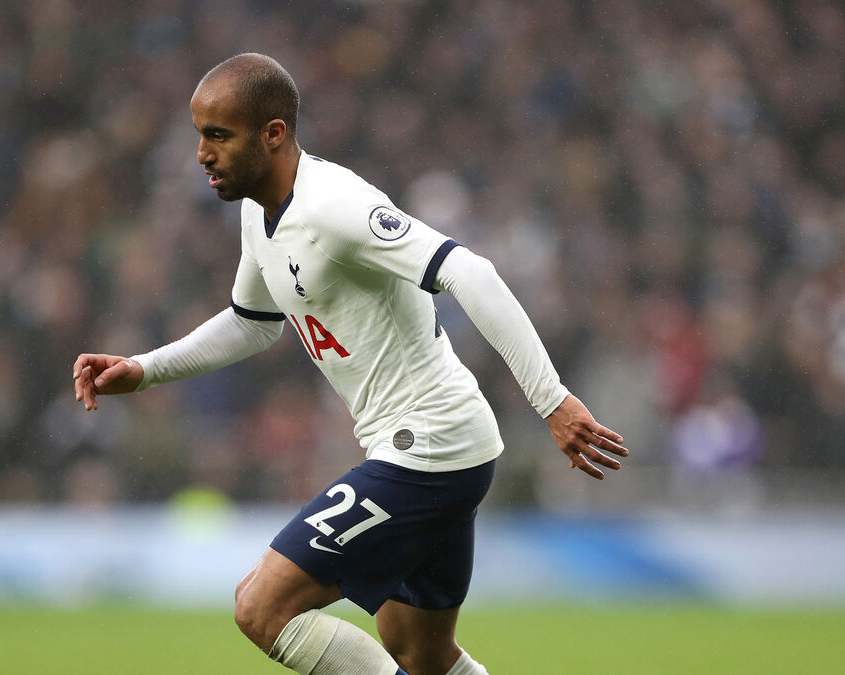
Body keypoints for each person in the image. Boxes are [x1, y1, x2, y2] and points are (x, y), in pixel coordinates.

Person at [73, 53, 629, 675]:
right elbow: (253, 324)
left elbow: (471, 272)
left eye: (219, 135)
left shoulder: (333, 206)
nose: (202, 153)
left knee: (262, 608)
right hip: (442, 447)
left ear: (273, 133)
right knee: (420, 652)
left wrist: (551, 399)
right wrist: (145, 369)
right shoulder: (259, 212)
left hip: (430, 445)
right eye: (200, 134)